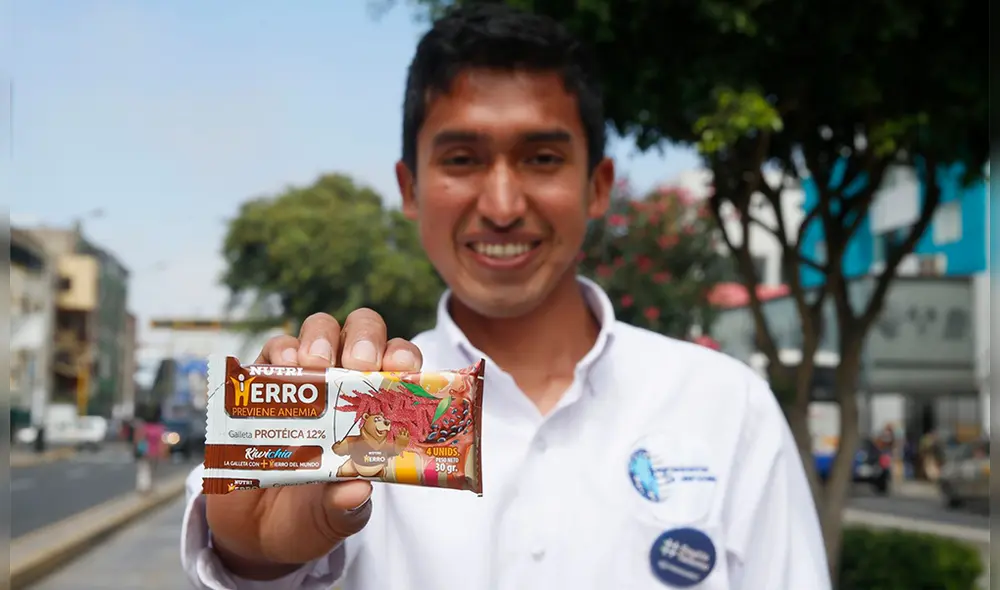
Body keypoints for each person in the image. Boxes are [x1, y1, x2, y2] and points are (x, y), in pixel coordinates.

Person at [180, 5, 830, 589]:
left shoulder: (723, 404)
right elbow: (253, 529)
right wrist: (256, 559)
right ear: (409, 188)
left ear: (598, 186)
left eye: (542, 158)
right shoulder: (361, 407)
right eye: (461, 159)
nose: (500, 206)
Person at [135, 407, 166, 493]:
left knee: (144, 470)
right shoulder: (160, 428)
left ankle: (144, 487)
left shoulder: (145, 427)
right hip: (155, 453)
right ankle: (151, 487)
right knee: (153, 471)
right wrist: (162, 452)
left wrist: (140, 450)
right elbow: (161, 442)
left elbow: (140, 440)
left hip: (146, 451)